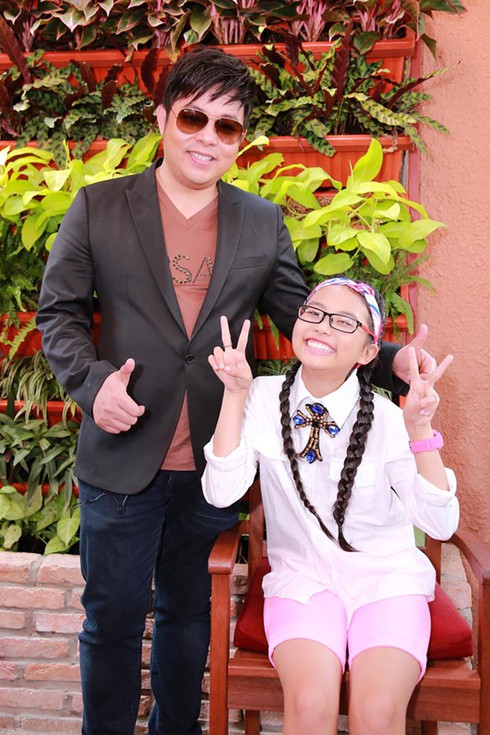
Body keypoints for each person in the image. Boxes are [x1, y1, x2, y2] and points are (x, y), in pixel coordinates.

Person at [37, 44, 438, 735]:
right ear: (162, 118)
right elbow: (59, 314)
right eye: (193, 117)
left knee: (189, 616)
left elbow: (302, 317)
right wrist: (92, 384)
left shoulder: (260, 221)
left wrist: (392, 362)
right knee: (112, 620)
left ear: (241, 139)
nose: (207, 138)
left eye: (226, 126)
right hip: (122, 454)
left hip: (216, 460)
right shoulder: (98, 206)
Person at [202, 276, 459, 735]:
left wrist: (420, 430)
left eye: (343, 322)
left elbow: (440, 524)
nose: (322, 326)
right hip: (303, 582)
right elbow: (221, 493)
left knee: (377, 713)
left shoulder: (388, 418)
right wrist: (234, 394)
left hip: (386, 584)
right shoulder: (261, 397)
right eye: (314, 313)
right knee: (310, 705)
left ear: (369, 351)